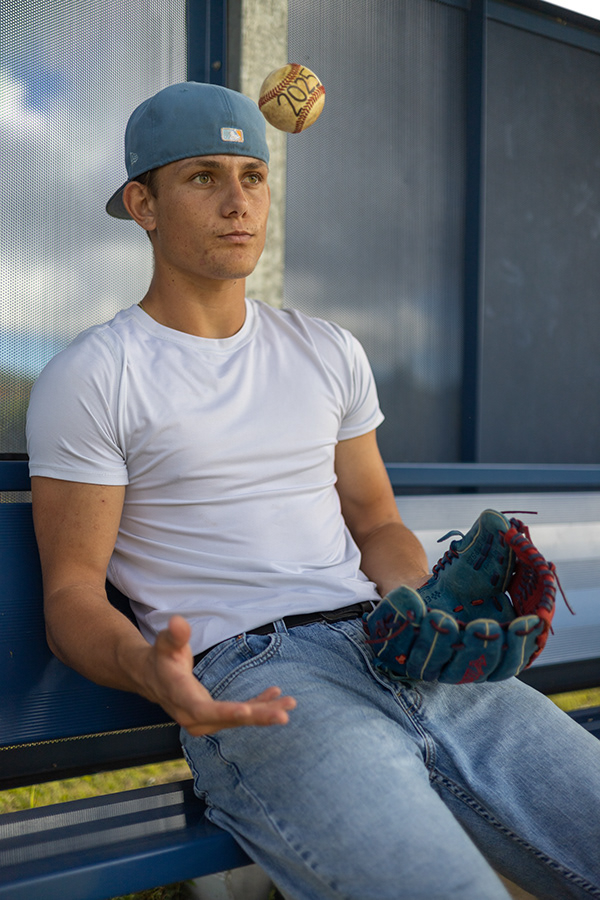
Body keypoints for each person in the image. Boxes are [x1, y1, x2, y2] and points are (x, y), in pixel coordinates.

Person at [26, 82, 600, 900]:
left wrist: (420, 601)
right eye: (202, 177)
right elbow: (72, 595)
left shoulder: (326, 350)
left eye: (253, 176)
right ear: (142, 203)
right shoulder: (93, 375)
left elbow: (375, 521)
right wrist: (148, 669)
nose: (238, 201)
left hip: (393, 646)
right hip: (260, 679)